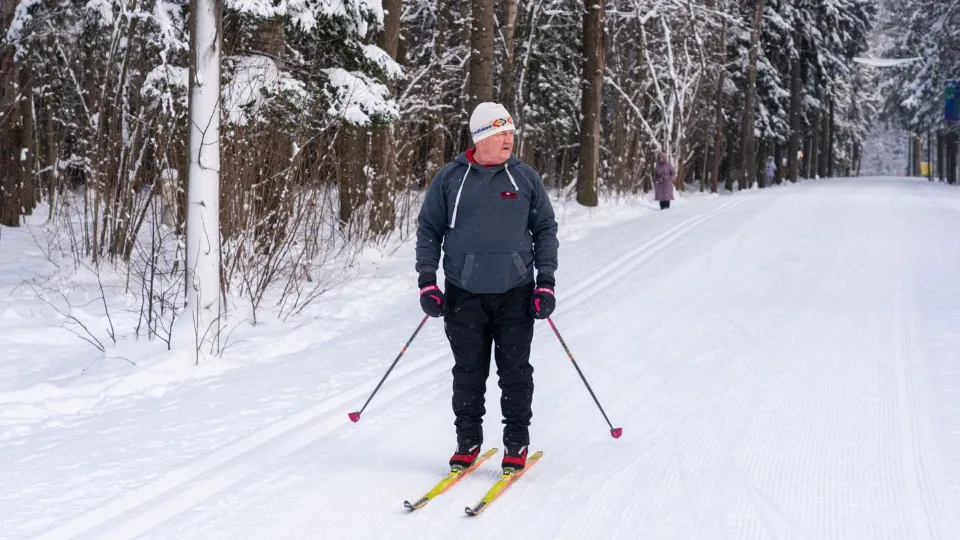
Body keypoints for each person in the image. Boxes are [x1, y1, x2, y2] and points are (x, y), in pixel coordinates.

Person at [415, 102, 559, 474]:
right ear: (481, 137)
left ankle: (516, 443)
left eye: (511, 132)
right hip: (464, 292)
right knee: (468, 371)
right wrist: (427, 282)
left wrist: (546, 284)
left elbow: (545, 230)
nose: (509, 139)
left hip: (517, 292)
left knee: (514, 372)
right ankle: (468, 442)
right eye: (501, 133)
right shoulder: (450, 178)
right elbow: (429, 230)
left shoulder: (525, 177)